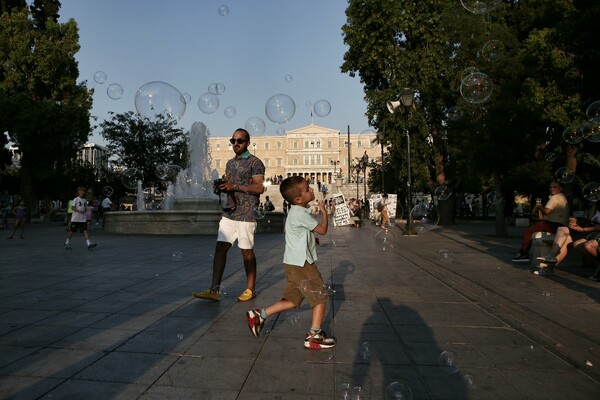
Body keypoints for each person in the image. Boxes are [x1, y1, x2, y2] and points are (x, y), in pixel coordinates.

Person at [246, 176, 335, 349]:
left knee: (293, 300)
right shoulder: (302, 214)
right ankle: (314, 335)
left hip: (292, 262)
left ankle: (259, 315)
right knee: (320, 296)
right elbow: (323, 230)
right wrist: (324, 212)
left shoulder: (294, 211)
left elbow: (287, 231)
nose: (312, 190)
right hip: (303, 263)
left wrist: (309, 239)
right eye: (308, 189)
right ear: (299, 199)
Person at [192, 128, 265, 302]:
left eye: (240, 141)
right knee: (220, 248)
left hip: (247, 212)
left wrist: (235, 187)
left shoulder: (255, 162)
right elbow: (229, 184)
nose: (236, 144)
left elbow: (259, 187)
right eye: (233, 141)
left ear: (247, 142)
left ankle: (250, 289)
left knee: (246, 251)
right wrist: (221, 186)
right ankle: (214, 289)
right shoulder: (230, 163)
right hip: (230, 211)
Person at [512, 181, 569, 262]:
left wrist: (539, 206)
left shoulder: (556, 197)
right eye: (550, 187)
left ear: (561, 188)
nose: (552, 189)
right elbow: (544, 215)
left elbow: (547, 211)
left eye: (554, 187)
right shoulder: (562, 197)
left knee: (528, 231)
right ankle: (524, 253)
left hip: (553, 224)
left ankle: (523, 254)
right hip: (559, 224)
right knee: (533, 228)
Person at [64, 186, 97, 250]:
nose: (82, 192)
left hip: (82, 219)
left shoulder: (85, 200)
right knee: (71, 232)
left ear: (85, 192)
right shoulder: (76, 199)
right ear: (78, 192)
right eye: (80, 191)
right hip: (75, 219)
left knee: (85, 231)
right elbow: (72, 207)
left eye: (83, 191)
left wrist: (84, 211)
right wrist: (79, 211)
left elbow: (84, 208)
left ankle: (89, 244)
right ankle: (66, 243)